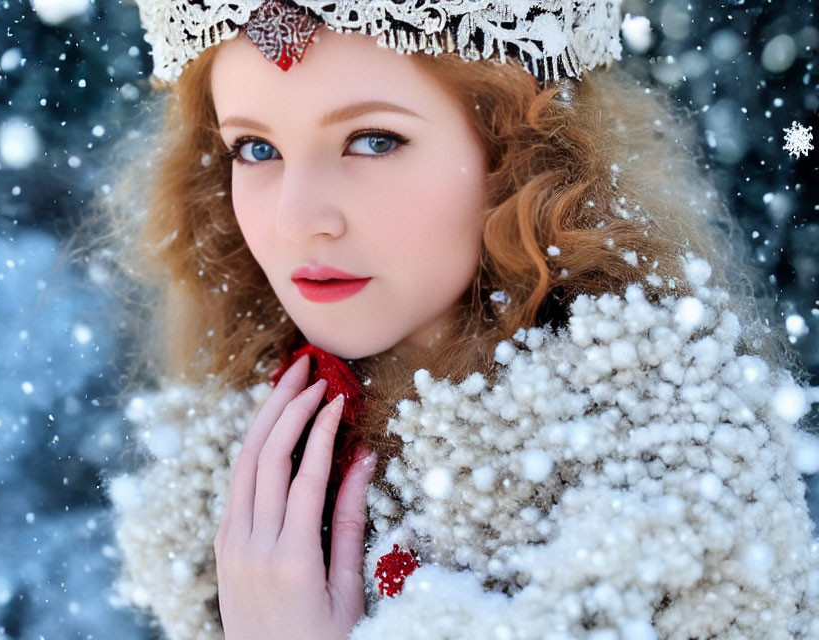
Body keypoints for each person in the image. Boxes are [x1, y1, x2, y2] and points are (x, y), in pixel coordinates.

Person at [94, 1, 819, 638]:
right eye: (256, 149)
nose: (295, 217)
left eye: (373, 140)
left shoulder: (674, 496)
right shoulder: (227, 464)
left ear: (522, 159)